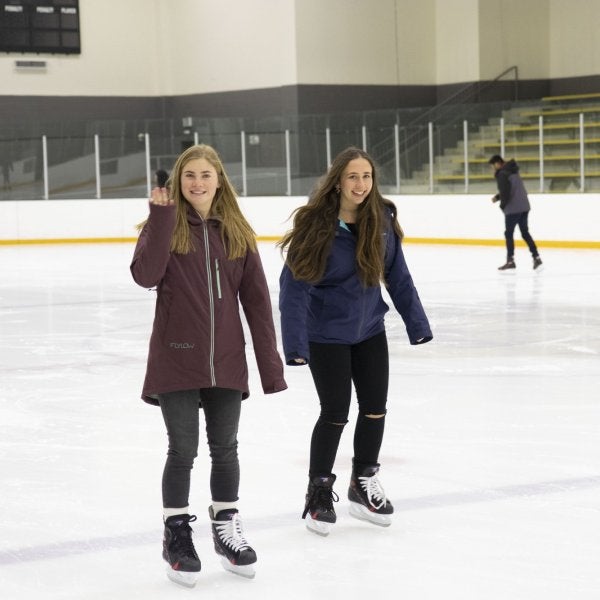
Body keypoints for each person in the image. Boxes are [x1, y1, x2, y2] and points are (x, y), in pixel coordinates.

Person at [130, 144, 287, 585]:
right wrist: (161, 219)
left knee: (226, 448)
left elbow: (257, 303)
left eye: (205, 175)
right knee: (182, 451)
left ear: (219, 180)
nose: (197, 183)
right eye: (189, 176)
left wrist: (270, 368)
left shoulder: (236, 231)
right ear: (179, 182)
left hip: (226, 360)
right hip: (176, 355)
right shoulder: (163, 225)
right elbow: (145, 275)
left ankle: (225, 526)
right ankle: (177, 534)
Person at [278, 147, 432, 536]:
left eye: (366, 176)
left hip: (369, 330)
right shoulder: (317, 225)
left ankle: (362, 481)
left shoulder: (382, 219)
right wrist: (295, 345)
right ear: (338, 181)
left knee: (375, 409)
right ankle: (318, 491)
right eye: (352, 177)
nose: (361, 184)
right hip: (326, 332)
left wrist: (417, 323)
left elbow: (398, 275)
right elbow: (293, 288)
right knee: (335, 413)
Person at [489, 154, 543, 271]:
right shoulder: (513, 170)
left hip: (513, 208)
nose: (493, 169)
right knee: (525, 232)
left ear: (498, 163)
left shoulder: (502, 174)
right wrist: (498, 197)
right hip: (524, 206)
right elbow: (511, 188)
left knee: (508, 234)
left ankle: (510, 260)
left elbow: (506, 192)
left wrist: (502, 206)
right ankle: (536, 257)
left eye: (493, 166)